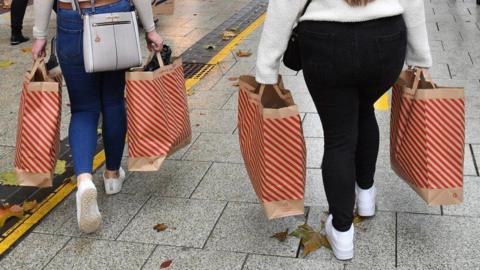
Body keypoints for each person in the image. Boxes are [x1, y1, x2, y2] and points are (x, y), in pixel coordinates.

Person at [256, 0, 431, 260]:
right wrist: (420, 57)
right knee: (365, 109)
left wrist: (266, 69)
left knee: (339, 137)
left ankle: (342, 231)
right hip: (384, 40)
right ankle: (366, 196)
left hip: (326, 42)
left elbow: (284, 5)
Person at [31, 0, 164, 233]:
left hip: (72, 18)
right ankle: (112, 175)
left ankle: (84, 180)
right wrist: (150, 29)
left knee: (83, 108)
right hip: (115, 15)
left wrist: (39, 34)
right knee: (113, 101)